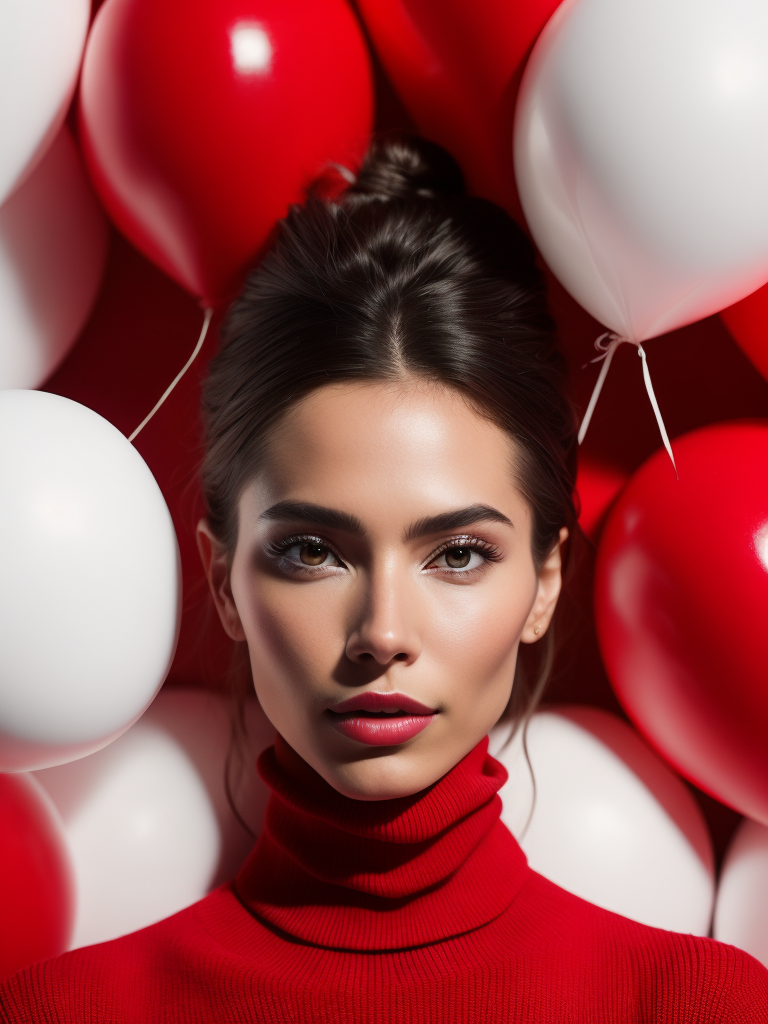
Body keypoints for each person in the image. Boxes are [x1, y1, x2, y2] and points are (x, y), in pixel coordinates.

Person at [1, 135, 766, 1023]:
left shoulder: (695, 1007)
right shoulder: (72, 1012)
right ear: (222, 583)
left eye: (458, 554)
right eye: (313, 551)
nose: (384, 632)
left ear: (546, 580)